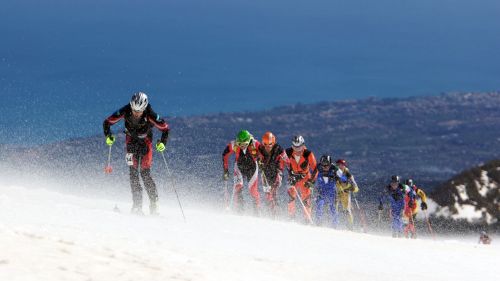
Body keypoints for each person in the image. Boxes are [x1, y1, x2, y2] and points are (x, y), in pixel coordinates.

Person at [103, 92, 170, 215]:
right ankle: (137, 206)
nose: (136, 113)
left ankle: (154, 204)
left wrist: (163, 143)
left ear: (144, 108)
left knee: (145, 174)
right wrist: (108, 136)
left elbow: (165, 128)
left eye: (139, 111)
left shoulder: (150, 114)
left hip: (145, 144)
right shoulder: (126, 110)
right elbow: (107, 122)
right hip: (131, 143)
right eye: (134, 110)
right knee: (133, 174)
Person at [222, 130, 261, 214]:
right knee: (238, 186)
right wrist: (225, 170)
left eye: (245, 144)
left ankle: (257, 211)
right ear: (237, 142)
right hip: (239, 167)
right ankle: (240, 209)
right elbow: (225, 155)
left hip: (252, 168)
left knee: (253, 190)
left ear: (249, 141)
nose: (242, 146)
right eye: (240, 144)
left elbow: (264, 153)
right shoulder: (234, 144)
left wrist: (260, 160)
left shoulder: (255, 143)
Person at [285, 135, 318, 222]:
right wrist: (281, 172)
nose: (297, 150)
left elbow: (315, 169)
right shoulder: (288, 152)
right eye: (294, 147)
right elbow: (281, 163)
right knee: (291, 197)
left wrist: (311, 181)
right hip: (293, 177)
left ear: (303, 145)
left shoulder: (308, 154)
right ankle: (291, 217)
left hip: (305, 178)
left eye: (299, 148)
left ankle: (307, 219)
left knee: (306, 200)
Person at [257, 131, 288, 218]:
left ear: (273, 143)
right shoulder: (260, 149)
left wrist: (290, 170)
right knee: (267, 194)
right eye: (265, 144)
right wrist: (259, 163)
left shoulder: (279, 149)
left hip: (277, 172)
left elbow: (287, 161)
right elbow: (257, 158)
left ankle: (276, 214)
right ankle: (271, 212)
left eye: (270, 144)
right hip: (265, 173)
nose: (267, 147)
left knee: (273, 191)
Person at [314, 155, 339, 227]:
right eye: (323, 165)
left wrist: (336, 177)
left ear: (330, 164)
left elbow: (344, 178)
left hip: (332, 193)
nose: (325, 167)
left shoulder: (334, 168)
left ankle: (335, 225)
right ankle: (318, 223)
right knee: (319, 205)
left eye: (327, 165)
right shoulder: (318, 168)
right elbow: (311, 176)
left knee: (333, 207)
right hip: (321, 192)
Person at [335, 159, 359, 230]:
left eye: (342, 165)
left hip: (345, 193)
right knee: (334, 208)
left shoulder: (348, 174)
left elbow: (356, 187)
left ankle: (350, 226)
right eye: (338, 165)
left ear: (344, 166)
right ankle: (335, 223)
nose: (340, 166)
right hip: (337, 193)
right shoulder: (335, 172)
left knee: (347, 210)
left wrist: (353, 188)